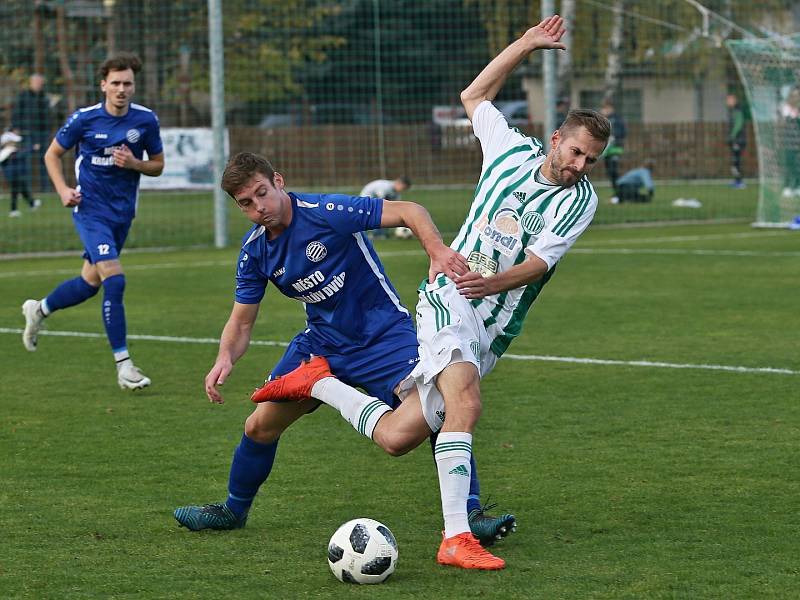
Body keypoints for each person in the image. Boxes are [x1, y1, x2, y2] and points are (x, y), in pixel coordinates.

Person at [254, 14, 611, 571]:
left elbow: (538, 264)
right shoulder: (509, 151)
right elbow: (474, 93)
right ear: (556, 139)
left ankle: (319, 384)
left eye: (591, 160)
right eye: (575, 153)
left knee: (401, 435)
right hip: (449, 298)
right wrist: (525, 44)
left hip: (494, 321)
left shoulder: (580, 201)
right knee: (466, 404)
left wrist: (490, 283)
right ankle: (456, 538)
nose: (580, 166)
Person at [172, 152, 517, 557]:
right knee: (259, 427)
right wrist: (225, 358)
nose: (258, 208)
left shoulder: (327, 212)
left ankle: (470, 514)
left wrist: (437, 250)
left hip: (384, 337)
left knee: (437, 409)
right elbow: (242, 321)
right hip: (321, 346)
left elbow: (409, 210)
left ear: (278, 181)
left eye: (262, 194)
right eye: (246, 203)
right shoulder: (256, 252)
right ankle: (233, 510)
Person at [20, 53, 164, 390]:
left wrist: (134, 164)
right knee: (115, 281)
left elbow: (157, 164)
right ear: (103, 85)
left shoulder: (145, 120)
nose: (121, 89)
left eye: (127, 83)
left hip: (122, 215)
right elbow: (52, 154)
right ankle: (124, 366)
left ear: (134, 85)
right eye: (115, 83)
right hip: (90, 211)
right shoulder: (84, 119)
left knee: (90, 283)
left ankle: (39, 310)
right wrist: (62, 189)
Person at [11, 74, 53, 193]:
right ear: (31, 82)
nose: (39, 84)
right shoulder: (23, 96)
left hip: (42, 133)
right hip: (27, 132)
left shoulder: (44, 97)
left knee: (45, 159)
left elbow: (49, 114)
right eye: (36, 82)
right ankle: (27, 189)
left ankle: (46, 189)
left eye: (40, 82)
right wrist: (16, 127)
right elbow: (17, 112)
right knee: (27, 161)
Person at [1, 127, 42, 217]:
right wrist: (32, 148)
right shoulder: (7, 152)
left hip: (16, 175)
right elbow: (21, 155)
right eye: (13, 141)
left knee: (22, 189)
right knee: (15, 192)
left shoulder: (10, 152)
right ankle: (14, 210)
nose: (15, 143)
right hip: (14, 176)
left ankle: (32, 203)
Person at [600, 100, 626, 201]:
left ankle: (619, 194)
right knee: (610, 173)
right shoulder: (605, 119)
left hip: (615, 150)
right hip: (607, 151)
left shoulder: (616, 120)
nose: (603, 111)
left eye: (605, 108)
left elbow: (621, 133)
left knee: (613, 172)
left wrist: (613, 137)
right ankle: (617, 193)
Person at [779, 87, 800, 198]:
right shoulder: (785, 107)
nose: (796, 97)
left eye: (798, 95)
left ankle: (797, 187)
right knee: (789, 164)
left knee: (798, 165)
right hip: (788, 141)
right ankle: (787, 187)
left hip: (798, 141)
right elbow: (784, 123)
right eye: (794, 95)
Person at [726, 93, 747, 190]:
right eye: (727, 100)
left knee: (736, 161)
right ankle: (737, 180)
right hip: (736, 139)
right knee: (735, 161)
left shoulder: (737, 110)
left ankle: (740, 182)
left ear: (734, 100)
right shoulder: (732, 110)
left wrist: (732, 136)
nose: (728, 102)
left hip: (738, 140)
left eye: (730, 99)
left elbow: (739, 124)